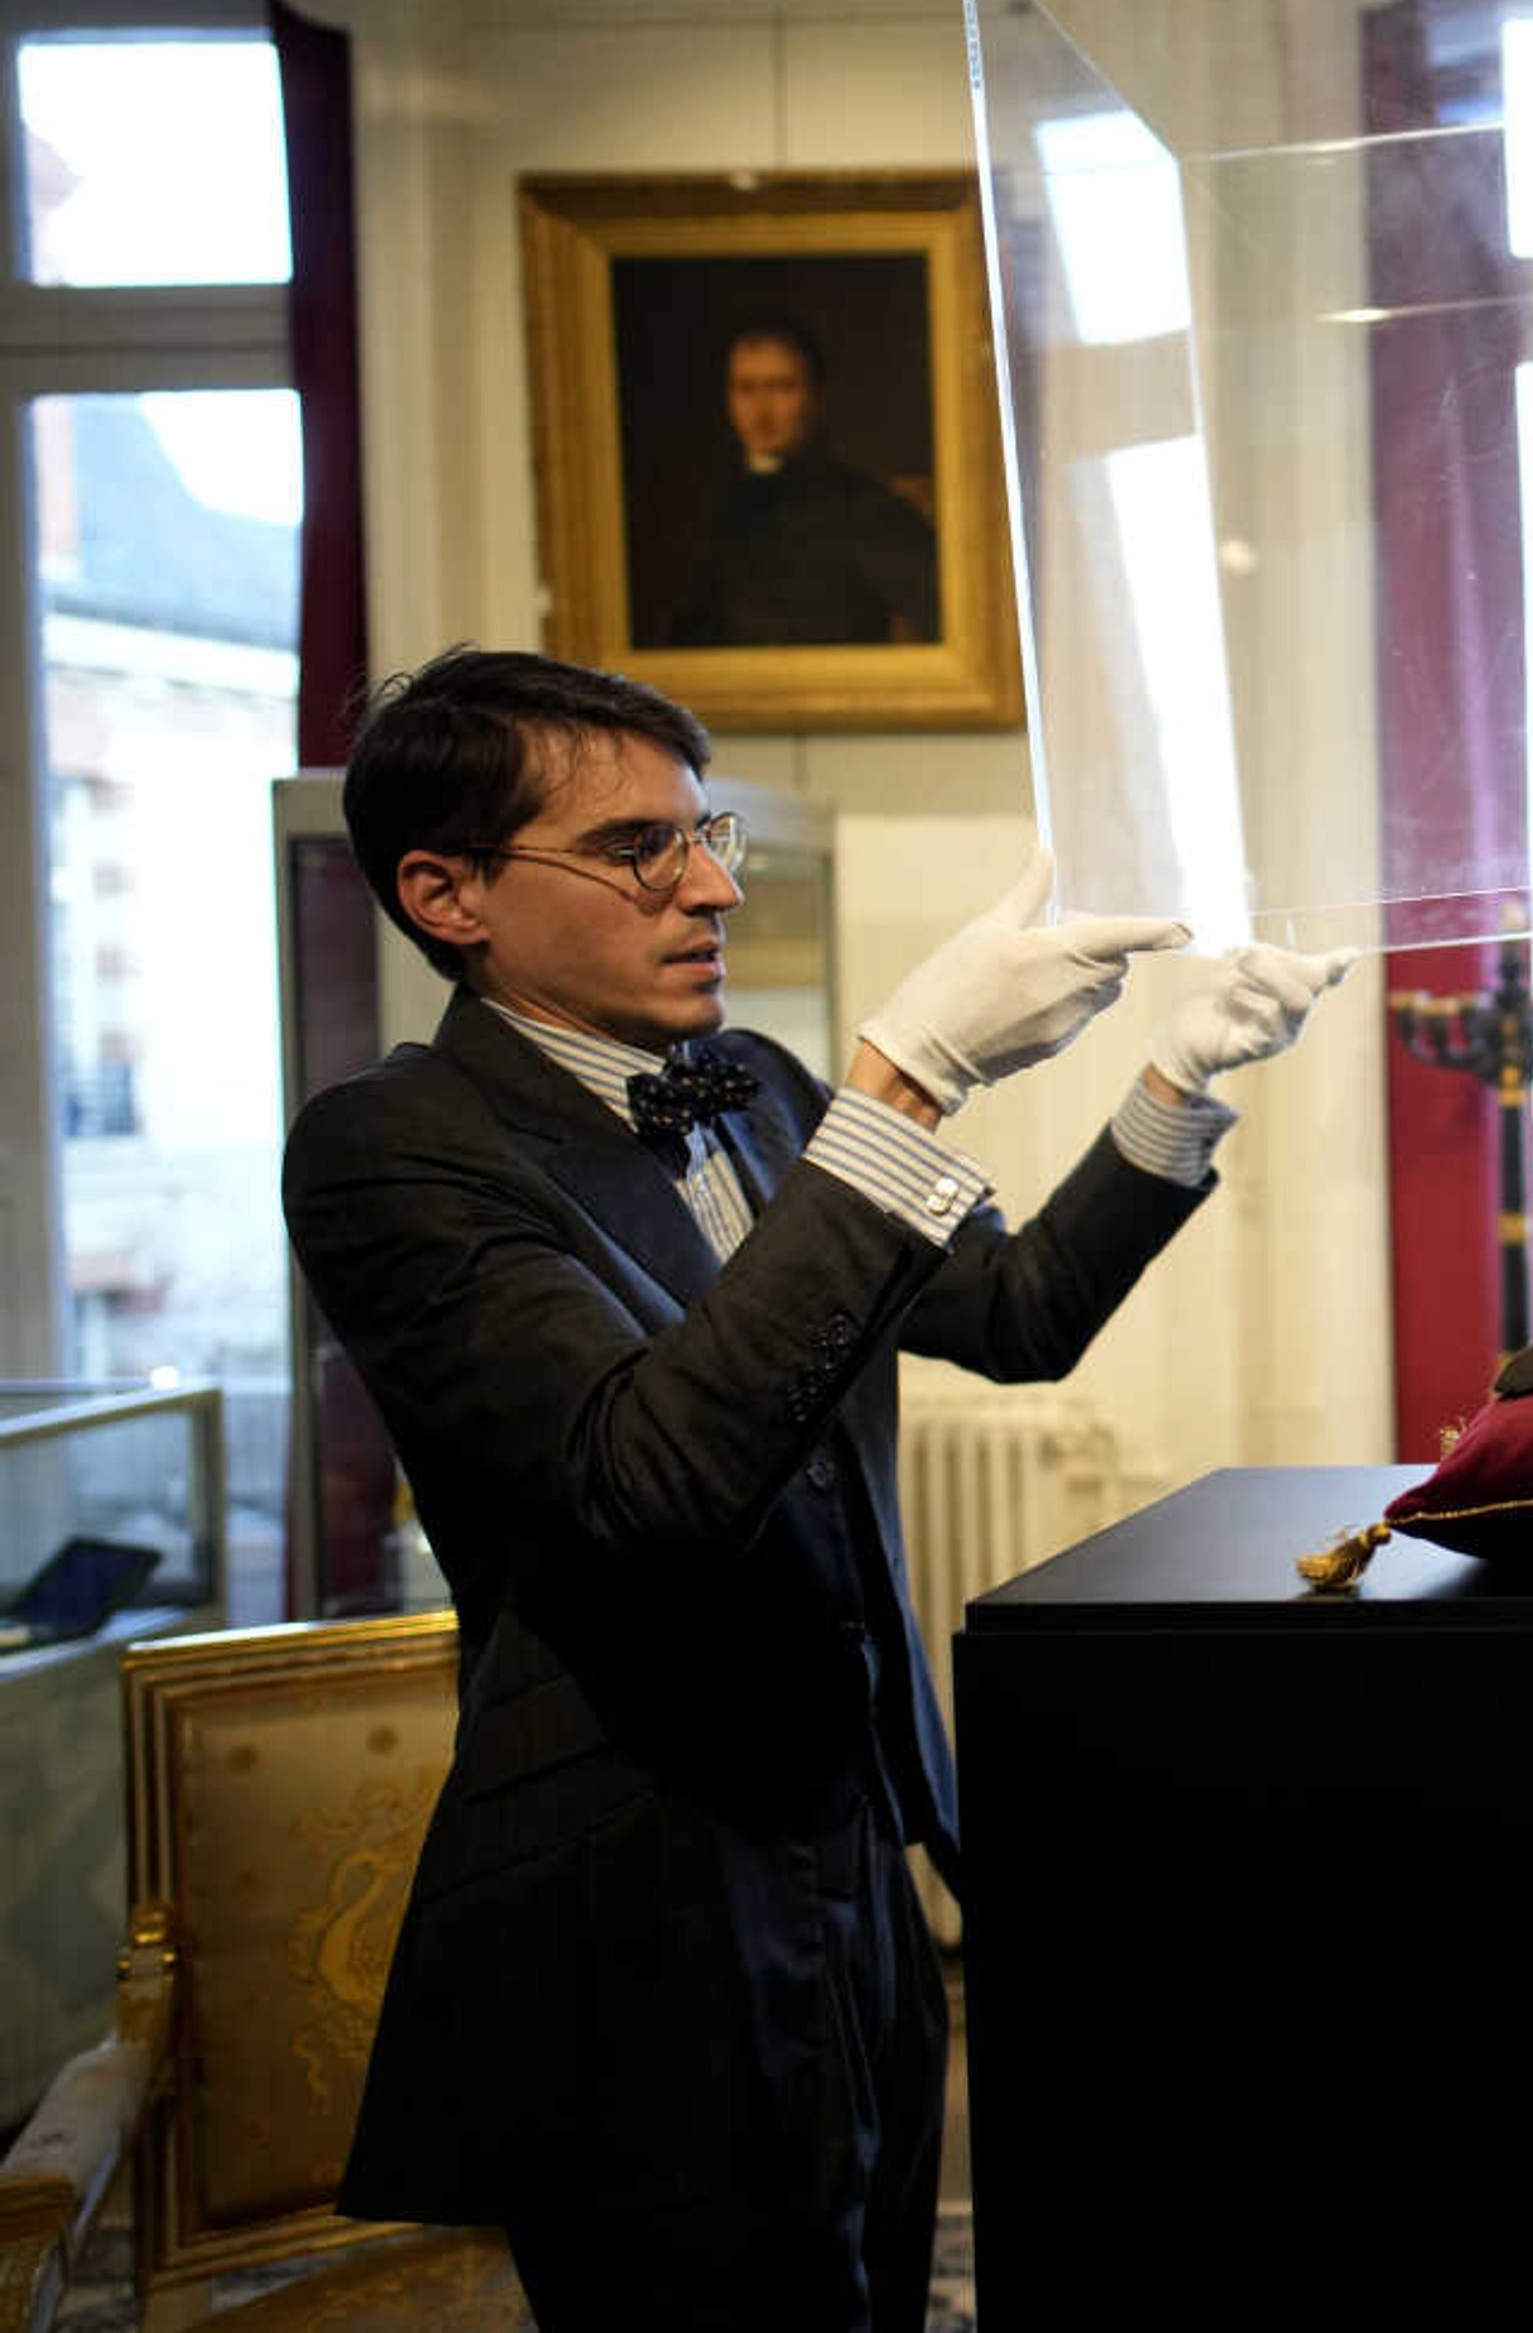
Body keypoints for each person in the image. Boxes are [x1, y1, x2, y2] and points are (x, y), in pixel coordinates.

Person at [285, 646, 1348, 2330]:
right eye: (640, 848)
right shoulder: (390, 1147)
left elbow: (1014, 1317)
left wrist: (1174, 1089)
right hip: (640, 1891)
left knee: (868, 2290)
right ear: (448, 892)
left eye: (706, 832)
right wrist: (911, 1083)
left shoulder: (765, 1094)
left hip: (858, 1833)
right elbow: (651, 1477)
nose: (710, 882)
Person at [661, 317, 941, 648]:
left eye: (781, 387)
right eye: (746, 389)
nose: (761, 411)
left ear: (817, 397)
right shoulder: (697, 509)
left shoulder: (866, 508)